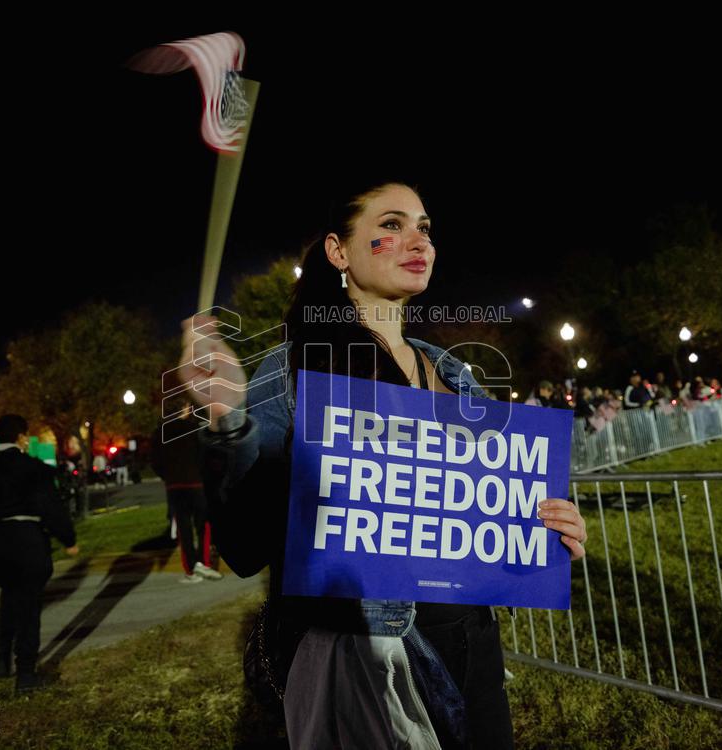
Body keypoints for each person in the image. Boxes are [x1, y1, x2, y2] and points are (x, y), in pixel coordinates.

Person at [182, 180, 587, 748]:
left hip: (473, 644)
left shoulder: (452, 372)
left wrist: (550, 528)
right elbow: (244, 542)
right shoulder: (294, 370)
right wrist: (227, 421)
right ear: (338, 251)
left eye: (424, 227)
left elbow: (487, 515)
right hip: (371, 656)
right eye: (391, 226)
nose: (416, 239)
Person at [0, 414, 78, 692]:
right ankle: (26, 674)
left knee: (10, 596)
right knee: (28, 607)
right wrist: (67, 538)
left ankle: (2, 660)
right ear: (22, 437)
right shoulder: (32, 469)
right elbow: (50, 506)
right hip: (26, 542)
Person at [153, 404, 222, 583]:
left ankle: (191, 569)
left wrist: (167, 476)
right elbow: (207, 457)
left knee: (184, 529)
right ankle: (204, 562)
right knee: (203, 525)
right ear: (184, 410)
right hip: (196, 483)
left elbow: (155, 461)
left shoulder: (160, 432)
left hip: (174, 486)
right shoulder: (195, 429)